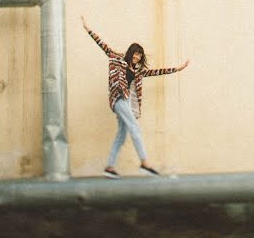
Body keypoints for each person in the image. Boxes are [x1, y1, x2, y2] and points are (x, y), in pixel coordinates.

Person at [81, 15, 190, 178]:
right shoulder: (117, 58)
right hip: (118, 99)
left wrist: (177, 69)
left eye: (140, 55)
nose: (137, 57)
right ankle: (145, 163)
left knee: (121, 135)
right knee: (135, 129)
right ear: (130, 52)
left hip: (125, 101)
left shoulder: (138, 71)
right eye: (136, 53)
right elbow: (101, 44)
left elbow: (156, 72)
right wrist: (88, 29)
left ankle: (109, 167)